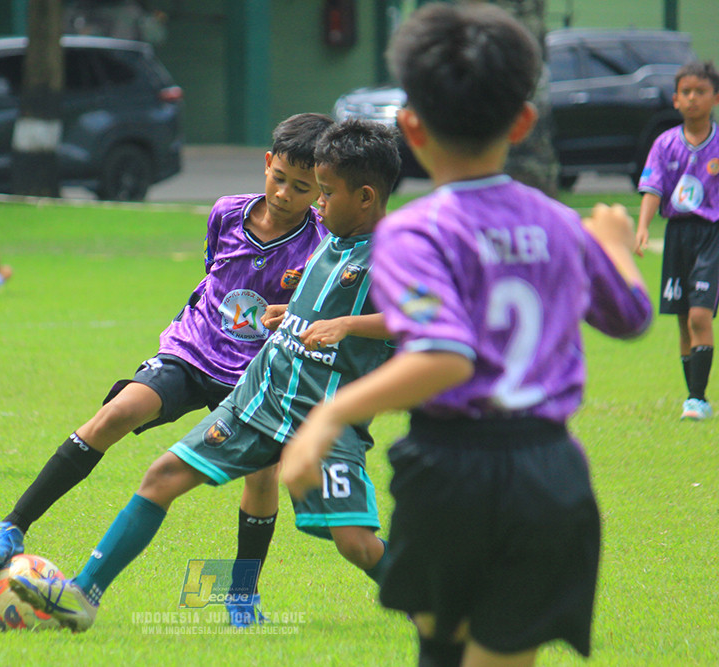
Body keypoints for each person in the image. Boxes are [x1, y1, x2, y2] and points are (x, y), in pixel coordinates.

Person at [280, 5, 654, 667]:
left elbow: (445, 354)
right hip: (548, 470)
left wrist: (330, 412)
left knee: (440, 643)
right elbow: (630, 317)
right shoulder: (560, 223)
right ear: (523, 121)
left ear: (413, 128)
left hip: (451, 469)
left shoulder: (416, 231)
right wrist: (619, 247)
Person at [5, 119, 401, 633]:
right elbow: (317, 298)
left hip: (323, 421)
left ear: (366, 197)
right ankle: (84, 595)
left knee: (355, 544)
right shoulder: (333, 234)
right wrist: (291, 313)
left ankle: (433, 599)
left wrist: (347, 325)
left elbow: (427, 321)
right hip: (259, 398)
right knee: (162, 476)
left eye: (325, 193)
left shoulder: (397, 255)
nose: (317, 204)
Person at [635, 60, 719, 421]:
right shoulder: (665, 144)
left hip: (711, 235)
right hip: (677, 235)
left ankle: (698, 399)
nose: (693, 98)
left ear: (715, 98)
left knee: (701, 315)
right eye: (686, 92)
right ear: (675, 100)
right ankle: (693, 396)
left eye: (701, 91)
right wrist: (642, 227)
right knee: (683, 318)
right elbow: (654, 189)